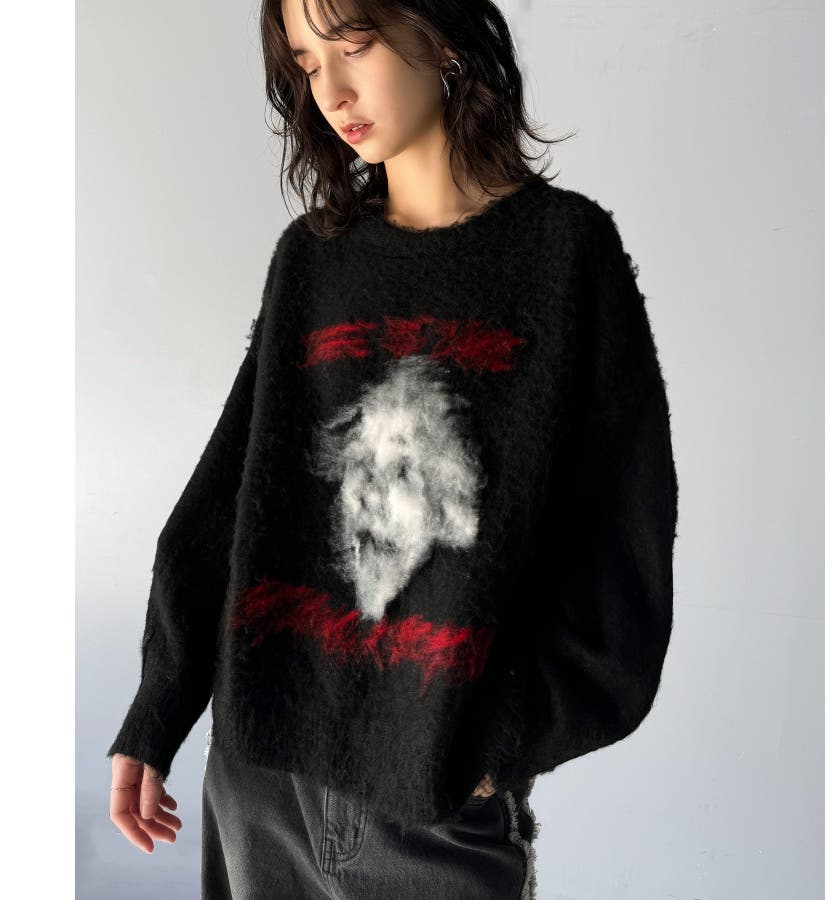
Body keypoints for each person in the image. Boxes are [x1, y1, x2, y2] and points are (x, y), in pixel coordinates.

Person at [106, 1, 679, 898]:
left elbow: (624, 548)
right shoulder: (313, 260)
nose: (331, 91)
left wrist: (499, 744)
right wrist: (157, 709)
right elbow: (225, 499)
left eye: (354, 44)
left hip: (430, 804)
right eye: (306, 64)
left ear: (439, 31)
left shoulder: (566, 255)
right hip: (262, 784)